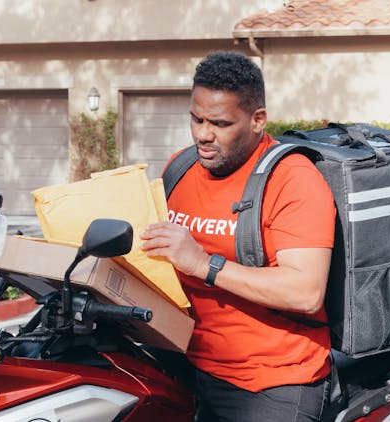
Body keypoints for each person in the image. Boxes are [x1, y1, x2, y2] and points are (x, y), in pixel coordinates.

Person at [140, 51, 336, 421]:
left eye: (220, 123)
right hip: (188, 363)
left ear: (257, 120)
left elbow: (305, 292)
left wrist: (203, 264)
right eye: (196, 119)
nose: (203, 134)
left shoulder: (293, 179)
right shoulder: (180, 167)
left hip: (270, 380)